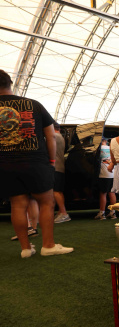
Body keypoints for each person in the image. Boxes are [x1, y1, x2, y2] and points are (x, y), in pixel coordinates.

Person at [0, 69, 73, 257]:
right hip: (36, 161)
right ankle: (48, 246)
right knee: (46, 202)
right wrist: (51, 161)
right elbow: (51, 136)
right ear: (10, 83)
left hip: (6, 164)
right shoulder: (33, 105)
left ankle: (25, 249)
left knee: (17, 205)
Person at [95, 134, 116, 220]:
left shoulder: (99, 149)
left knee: (103, 193)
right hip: (113, 173)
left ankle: (102, 213)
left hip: (104, 174)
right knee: (112, 192)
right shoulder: (111, 148)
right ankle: (113, 212)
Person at [53, 122, 70, 223]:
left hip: (55, 167)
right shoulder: (61, 137)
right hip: (60, 167)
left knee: (55, 191)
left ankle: (64, 213)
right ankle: (61, 212)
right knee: (59, 191)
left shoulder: (54, 136)